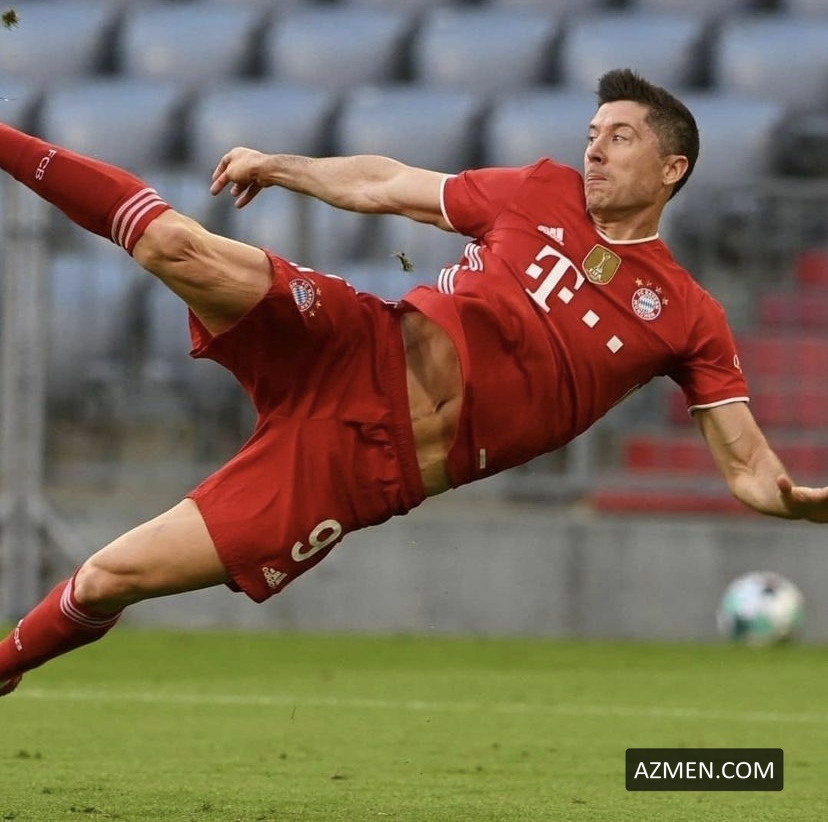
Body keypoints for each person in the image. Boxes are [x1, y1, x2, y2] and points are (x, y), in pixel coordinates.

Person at [0, 67, 826, 697]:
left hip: (359, 466)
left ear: (673, 167)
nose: (595, 150)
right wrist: (280, 166)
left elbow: (750, 469)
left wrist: (794, 503)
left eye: (620, 137)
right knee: (176, 246)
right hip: (354, 343)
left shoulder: (687, 315)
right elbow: (387, 185)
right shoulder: (540, 192)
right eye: (592, 133)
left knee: (109, 578)